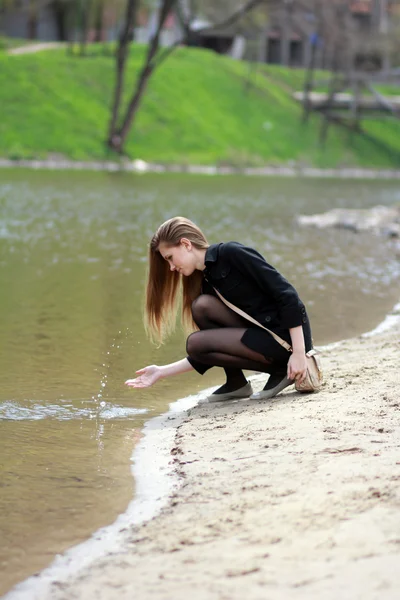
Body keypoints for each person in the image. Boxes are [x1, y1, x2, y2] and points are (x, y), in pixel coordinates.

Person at [125, 216, 313, 402]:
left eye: (170, 258)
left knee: (196, 339)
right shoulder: (206, 279)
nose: (171, 267)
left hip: (287, 341)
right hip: (264, 339)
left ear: (186, 244)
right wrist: (160, 372)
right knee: (202, 307)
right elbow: (212, 348)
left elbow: (288, 295)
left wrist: (298, 353)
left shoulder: (232, 254)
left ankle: (281, 370)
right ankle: (236, 383)